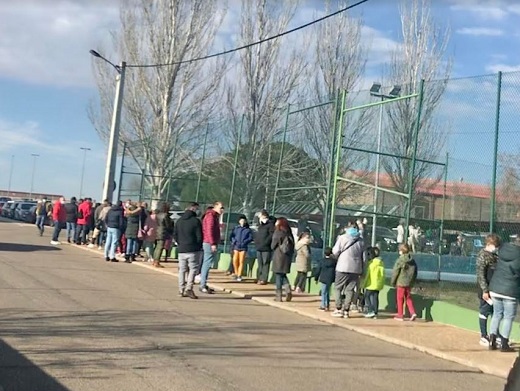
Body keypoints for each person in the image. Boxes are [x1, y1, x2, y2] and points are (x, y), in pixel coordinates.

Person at [488, 241, 520, 352]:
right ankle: (504, 344)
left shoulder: (503, 250)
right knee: (508, 317)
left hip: (495, 288)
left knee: (497, 314)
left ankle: (492, 340)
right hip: (510, 291)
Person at [331, 221, 365, 318]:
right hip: (356, 267)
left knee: (338, 287)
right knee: (350, 289)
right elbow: (364, 257)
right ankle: (346, 310)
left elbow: (335, 251)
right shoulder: (361, 240)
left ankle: (338, 308)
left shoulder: (342, 238)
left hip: (342, 266)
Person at [476, 233, 501, 347]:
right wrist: (485, 290)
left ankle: (495, 334)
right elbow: (481, 274)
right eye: (495, 245)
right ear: (489, 244)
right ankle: (483, 335)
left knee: (494, 311)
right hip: (485, 289)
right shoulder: (482, 255)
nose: (496, 247)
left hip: (494, 288)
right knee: (484, 311)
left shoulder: (494, 255)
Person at [174, 202, 202, 299]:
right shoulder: (196, 221)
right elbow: (199, 236)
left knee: (182, 269)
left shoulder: (179, 221)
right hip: (193, 249)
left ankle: (181, 289)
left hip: (182, 249)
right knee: (193, 269)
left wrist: (180, 243)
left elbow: (175, 235)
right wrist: (198, 246)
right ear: (193, 209)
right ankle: (189, 288)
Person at [199, 202, 224, 294]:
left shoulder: (214, 216)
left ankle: (204, 284)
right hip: (209, 243)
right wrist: (213, 243)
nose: (222, 209)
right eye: (221, 207)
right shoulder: (210, 216)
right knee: (207, 263)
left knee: (208, 263)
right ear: (215, 207)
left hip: (210, 242)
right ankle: (202, 285)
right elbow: (209, 230)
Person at [391, 243, 418, 321]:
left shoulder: (400, 260)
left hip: (401, 282)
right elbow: (415, 271)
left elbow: (395, 271)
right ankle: (413, 312)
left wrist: (393, 282)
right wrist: (412, 281)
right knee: (408, 298)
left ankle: (400, 315)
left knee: (400, 298)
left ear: (401, 251)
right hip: (409, 282)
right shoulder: (412, 260)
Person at [271, 217, 295, 302]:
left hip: (278, 256)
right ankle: (288, 290)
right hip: (287, 257)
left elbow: (273, 245)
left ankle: (279, 296)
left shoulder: (278, 232)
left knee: (278, 276)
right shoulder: (289, 233)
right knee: (283, 275)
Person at [362, 246, 385, 319]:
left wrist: (363, 284)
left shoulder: (371, 264)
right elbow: (382, 274)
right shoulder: (381, 263)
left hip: (370, 284)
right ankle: (375, 312)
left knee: (366, 296)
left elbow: (367, 276)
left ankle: (371, 310)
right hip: (378, 284)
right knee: (375, 297)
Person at [230, 215, 253, 282]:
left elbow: (250, 238)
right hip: (236, 247)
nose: (242, 222)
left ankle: (239, 275)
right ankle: (236, 273)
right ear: (239, 221)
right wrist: (234, 242)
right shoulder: (236, 228)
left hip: (243, 247)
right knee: (235, 260)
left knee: (241, 261)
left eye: (244, 221)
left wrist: (244, 242)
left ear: (245, 221)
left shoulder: (248, 230)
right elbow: (231, 236)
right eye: (241, 220)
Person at [254, 210, 275, 285]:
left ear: (264, 215)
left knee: (265, 263)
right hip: (259, 247)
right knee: (260, 264)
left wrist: (266, 242)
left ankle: (263, 279)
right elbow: (257, 235)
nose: (259, 216)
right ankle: (258, 277)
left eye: (260, 214)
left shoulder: (270, 225)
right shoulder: (260, 225)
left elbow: (271, 235)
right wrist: (256, 241)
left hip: (266, 248)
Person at [313, 247, 336, 311]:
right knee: (327, 292)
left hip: (323, 278)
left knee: (323, 292)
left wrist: (316, 278)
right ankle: (327, 305)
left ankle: (323, 305)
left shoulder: (322, 261)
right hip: (330, 278)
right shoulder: (334, 261)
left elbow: (318, 270)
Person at [153, 202, 174, 268]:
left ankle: (155, 260)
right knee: (160, 247)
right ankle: (157, 262)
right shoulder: (165, 215)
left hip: (157, 231)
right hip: (163, 232)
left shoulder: (158, 214)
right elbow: (168, 225)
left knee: (157, 247)